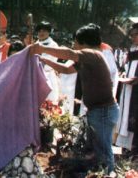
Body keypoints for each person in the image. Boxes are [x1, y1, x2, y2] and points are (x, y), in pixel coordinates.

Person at [29, 23, 119, 175]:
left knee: (103, 151)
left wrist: (42, 48)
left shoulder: (92, 54)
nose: (74, 45)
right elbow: (65, 69)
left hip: (103, 112)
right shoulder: (88, 58)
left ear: (84, 43)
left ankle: (108, 174)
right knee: (93, 151)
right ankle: (97, 174)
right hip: (97, 111)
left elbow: (69, 53)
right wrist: (45, 60)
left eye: (75, 42)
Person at [115, 22, 138, 152]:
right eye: (132, 35)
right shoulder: (132, 50)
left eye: (136, 35)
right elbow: (126, 66)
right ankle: (126, 148)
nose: (133, 37)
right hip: (128, 90)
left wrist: (134, 80)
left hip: (135, 91)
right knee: (126, 116)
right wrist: (123, 72)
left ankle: (134, 150)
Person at [35, 21, 60, 102]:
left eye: (44, 31)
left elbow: (52, 61)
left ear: (49, 32)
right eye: (40, 31)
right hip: (36, 76)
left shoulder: (53, 45)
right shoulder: (35, 44)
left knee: (49, 101)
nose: (41, 33)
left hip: (48, 75)